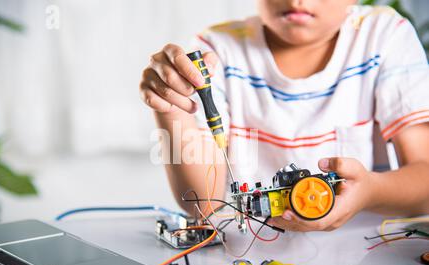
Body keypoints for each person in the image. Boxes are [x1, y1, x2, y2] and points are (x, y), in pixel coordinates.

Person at [139, 0, 429, 232]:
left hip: (364, 257)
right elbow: (201, 203)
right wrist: (170, 104)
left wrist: (371, 192)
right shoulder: (218, 49)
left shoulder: (385, 35)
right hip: (254, 259)